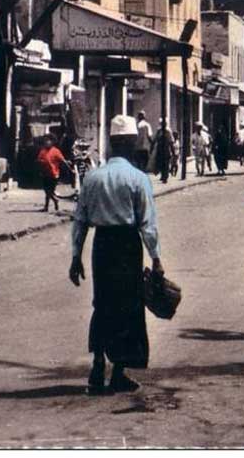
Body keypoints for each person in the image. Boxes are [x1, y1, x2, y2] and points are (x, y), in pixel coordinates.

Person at [70, 115, 165, 396]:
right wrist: (156, 259)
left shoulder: (93, 178)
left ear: (111, 143)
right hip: (126, 246)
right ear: (131, 143)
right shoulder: (137, 178)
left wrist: (76, 256)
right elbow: (147, 224)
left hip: (102, 246)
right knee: (128, 307)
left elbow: (80, 220)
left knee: (102, 304)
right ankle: (119, 372)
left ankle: (98, 365)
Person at [37, 135, 66, 213]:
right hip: (45, 173)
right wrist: (41, 163)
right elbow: (39, 160)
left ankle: (52, 202)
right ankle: (49, 204)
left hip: (54, 173)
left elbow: (62, 160)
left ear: (52, 142)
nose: (47, 142)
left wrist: (68, 168)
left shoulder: (56, 151)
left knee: (50, 190)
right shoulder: (42, 151)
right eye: (45, 141)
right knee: (46, 190)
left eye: (48, 141)